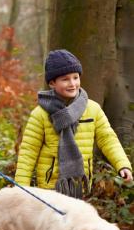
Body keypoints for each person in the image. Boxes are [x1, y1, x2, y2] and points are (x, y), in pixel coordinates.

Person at [15, 49, 132, 198]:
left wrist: (122, 164)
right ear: (52, 83)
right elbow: (28, 152)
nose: (72, 84)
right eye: (65, 79)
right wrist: (21, 189)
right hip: (50, 188)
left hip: (80, 185)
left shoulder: (93, 109)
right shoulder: (40, 114)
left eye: (75, 77)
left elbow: (108, 139)